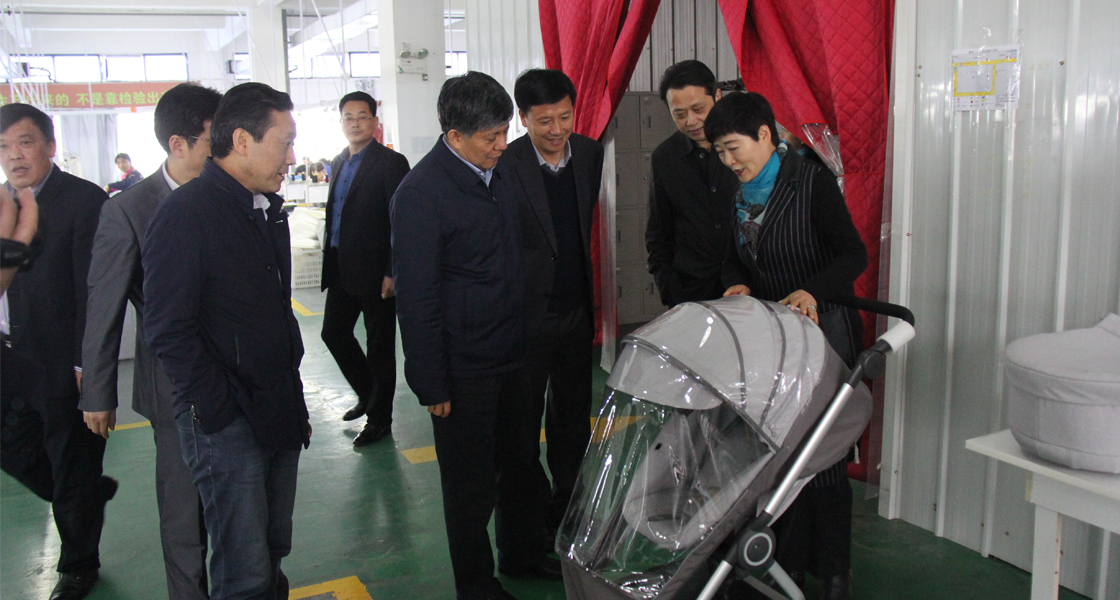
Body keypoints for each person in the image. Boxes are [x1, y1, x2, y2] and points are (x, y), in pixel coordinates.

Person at [392, 71, 557, 600]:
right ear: (454, 135)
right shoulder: (420, 194)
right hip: (464, 368)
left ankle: (523, 553)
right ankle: (477, 586)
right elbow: (416, 298)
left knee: (521, 465)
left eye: (505, 132)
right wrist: (431, 382)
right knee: (469, 486)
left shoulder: (496, 174)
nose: (503, 145)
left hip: (512, 353)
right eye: (492, 137)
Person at [142, 82, 309, 600]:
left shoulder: (263, 208)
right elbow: (168, 328)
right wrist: (218, 410)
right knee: (244, 568)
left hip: (275, 403)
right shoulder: (186, 214)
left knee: (272, 547)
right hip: (228, 420)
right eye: (284, 142)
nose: (292, 157)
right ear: (241, 141)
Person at [705, 91, 867, 600]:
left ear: (764, 135)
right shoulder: (737, 192)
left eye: (734, 148)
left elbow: (853, 255)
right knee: (780, 458)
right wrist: (736, 282)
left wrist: (812, 291)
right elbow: (734, 257)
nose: (729, 161)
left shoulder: (811, 182)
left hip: (823, 337)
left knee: (824, 458)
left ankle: (835, 573)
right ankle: (788, 565)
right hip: (773, 341)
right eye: (720, 152)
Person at [79, 82, 221, 600]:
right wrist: (97, 393)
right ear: (178, 144)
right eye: (215, 138)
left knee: (243, 505)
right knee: (185, 510)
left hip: (237, 373)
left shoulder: (235, 191)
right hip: (172, 383)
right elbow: (105, 304)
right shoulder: (130, 210)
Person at [0, 103, 116, 600]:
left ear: (49, 145)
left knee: (70, 460)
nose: (14, 156)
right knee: (15, 449)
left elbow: (95, 290)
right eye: (3, 147)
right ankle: (86, 494)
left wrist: (86, 363)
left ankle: (77, 567)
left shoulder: (83, 201)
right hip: (10, 356)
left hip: (59, 358)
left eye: (24, 143)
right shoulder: (2, 203)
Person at [498, 68, 603, 534]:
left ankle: (569, 509)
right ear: (523, 118)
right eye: (544, 121)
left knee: (573, 423)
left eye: (565, 116)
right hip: (525, 319)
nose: (557, 129)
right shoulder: (505, 164)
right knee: (520, 428)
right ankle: (528, 522)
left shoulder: (590, 154)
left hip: (575, 312)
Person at [320, 91, 410, 446]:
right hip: (341, 266)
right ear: (341, 122)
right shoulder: (338, 161)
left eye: (362, 116)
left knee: (380, 347)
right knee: (333, 333)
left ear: (374, 121)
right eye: (348, 117)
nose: (355, 123)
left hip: (376, 272)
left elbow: (401, 220)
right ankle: (369, 393)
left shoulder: (391, 162)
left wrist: (392, 270)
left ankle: (379, 420)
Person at [645, 60, 740, 307]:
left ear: (717, 96)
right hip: (690, 291)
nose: (691, 120)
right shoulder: (665, 158)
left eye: (698, 109)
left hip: (746, 287)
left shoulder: (745, 146)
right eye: (679, 114)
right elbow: (658, 232)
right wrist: (668, 286)